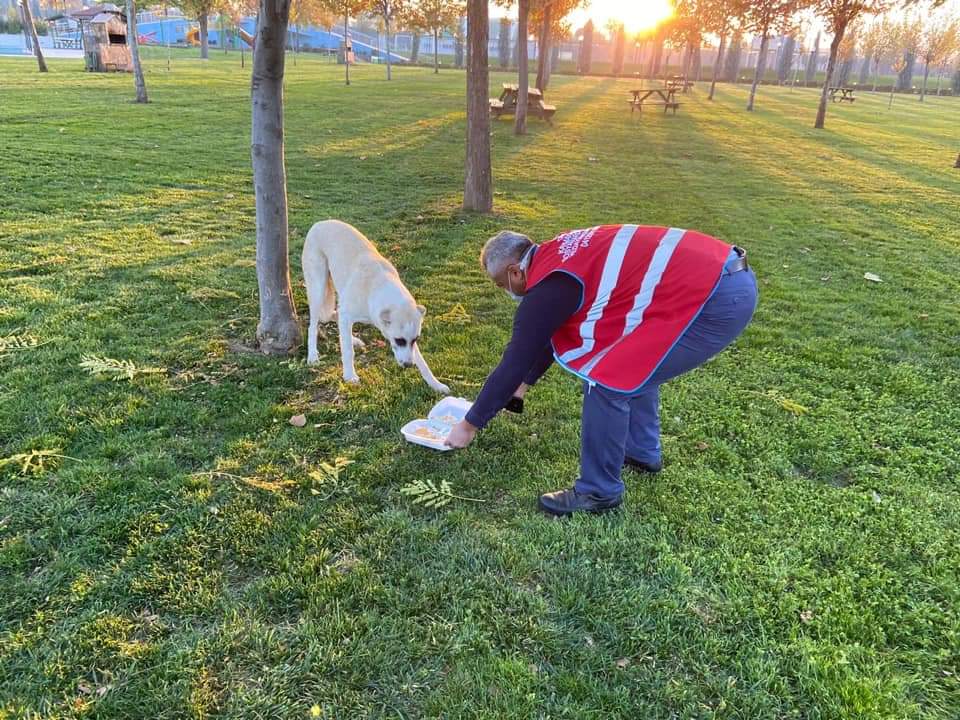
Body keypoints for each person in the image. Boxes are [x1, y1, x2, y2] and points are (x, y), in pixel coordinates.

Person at [444, 225, 759, 517]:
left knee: (607, 380)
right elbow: (547, 336)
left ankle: (598, 491)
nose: (505, 291)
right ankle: (642, 452)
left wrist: (469, 425)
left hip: (715, 298)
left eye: (502, 284)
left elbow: (514, 359)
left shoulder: (548, 286)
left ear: (515, 271)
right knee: (634, 361)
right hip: (723, 274)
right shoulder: (557, 257)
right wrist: (524, 384)